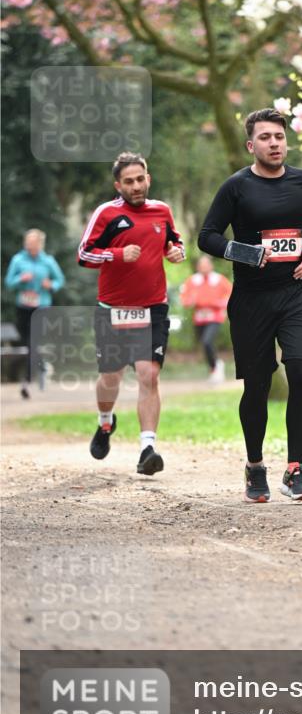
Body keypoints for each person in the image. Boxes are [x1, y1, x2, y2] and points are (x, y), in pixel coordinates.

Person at [198, 107, 302, 504]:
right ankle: (255, 466)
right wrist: (244, 252)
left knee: (301, 372)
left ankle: (295, 470)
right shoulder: (236, 187)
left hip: (297, 295)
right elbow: (207, 236)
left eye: (279, 136)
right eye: (265, 138)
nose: (274, 144)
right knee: (256, 386)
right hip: (252, 301)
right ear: (250, 145)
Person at [77, 152, 185, 475]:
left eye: (140, 179)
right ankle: (105, 422)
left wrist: (176, 252)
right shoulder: (107, 214)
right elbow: (84, 254)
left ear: (148, 178)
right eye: (129, 181)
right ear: (118, 185)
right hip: (113, 310)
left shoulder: (162, 210)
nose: (136, 186)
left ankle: (147, 448)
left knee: (148, 374)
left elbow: (173, 242)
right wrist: (117, 254)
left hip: (153, 308)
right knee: (110, 378)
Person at [4, 228, 65, 398]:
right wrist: (20, 279)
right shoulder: (18, 260)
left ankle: (27, 380)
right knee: (27, 342)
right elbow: (9, 282)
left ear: (40, 243)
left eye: (33, 242)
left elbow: (59, 280)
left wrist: (51, 285)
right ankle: (42, 367)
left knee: (33, 341)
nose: (29, 244)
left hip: (41, 307)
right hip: (23, 307)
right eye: (28, 241)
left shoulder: (48, 261)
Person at [179, 256, 232, 384]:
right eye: (201, 265)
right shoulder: (192, 281)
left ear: (211, 266)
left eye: (206, 264)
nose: (204, 267)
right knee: (205, 345)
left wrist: (221, 303)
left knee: (207, 341)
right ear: (198, 267)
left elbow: (231, 295)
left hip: (215, 316)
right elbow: (184, 299)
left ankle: (216, 368)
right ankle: (214, 367)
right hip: (199, 318)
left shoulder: (219, 279)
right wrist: (190, 301)